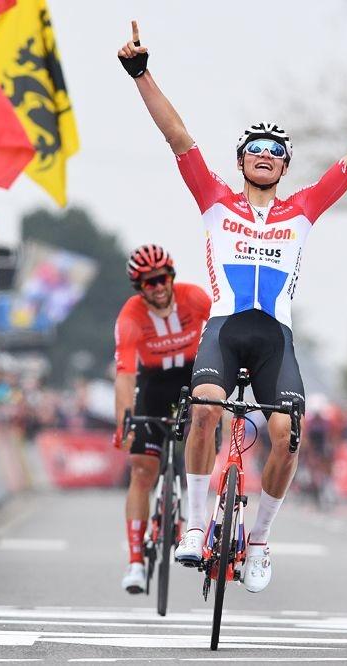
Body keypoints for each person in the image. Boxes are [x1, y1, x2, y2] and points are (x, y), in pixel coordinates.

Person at [118, 20, 347, 593]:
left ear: (285, 167)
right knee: (206, 410)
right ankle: (193, 527)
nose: (265, 156)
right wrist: (141, 74)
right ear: (242, 162)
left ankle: (259, 539)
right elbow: (179, 136)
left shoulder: (304, 210)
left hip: (275, 340)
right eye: (255, 150)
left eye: (275, 152)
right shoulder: (214, 200)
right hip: (224, 328)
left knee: (287, 434)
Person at [113, 245, 211, 594]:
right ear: (138, 287)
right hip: (152, 384)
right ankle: (136, 561)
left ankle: (192, 523)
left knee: (201, 440)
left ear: (172, 276)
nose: (157, 286)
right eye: (147, 282)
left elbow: (220, 335)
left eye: (162, 278)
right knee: (142, 468)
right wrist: (123, 420)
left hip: (190, 377)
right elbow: (124, 374)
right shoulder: (130, 316)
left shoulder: (195, 298)